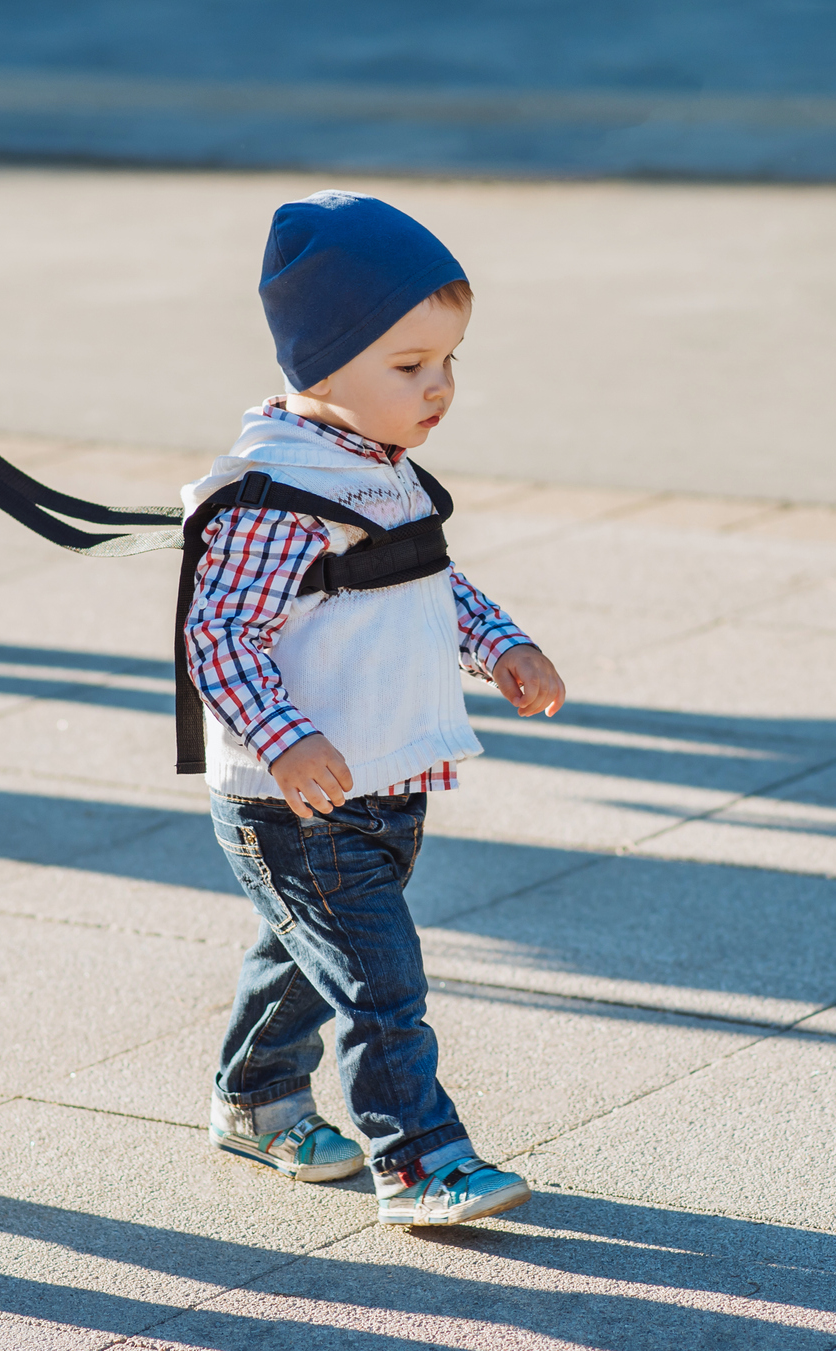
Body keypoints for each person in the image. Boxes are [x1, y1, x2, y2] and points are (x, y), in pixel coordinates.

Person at [183, 191, 568, 1227]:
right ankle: (422, 1159)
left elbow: (428, 582)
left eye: (449, 362)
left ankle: (254, 1099)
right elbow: (217, 635)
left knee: (306, 957)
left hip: (380, 780)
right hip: (296, 796)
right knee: (381, 984)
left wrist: (502, 645)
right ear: (322, 363)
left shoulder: (380, 472)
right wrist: (286, 736)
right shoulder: (278, 494)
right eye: (409, 367)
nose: (439, 388)